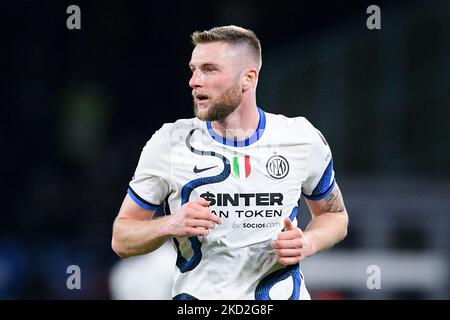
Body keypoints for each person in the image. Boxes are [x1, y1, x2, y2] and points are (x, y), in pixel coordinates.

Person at [111, 25, 348, 300]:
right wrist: (170, 223)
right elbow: (122, 238)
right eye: (193, 69)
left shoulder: (301, 138)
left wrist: (308, 242)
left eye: (209, 69)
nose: (194, 81)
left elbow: (334, 215)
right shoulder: (169, 143)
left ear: (247, 78)